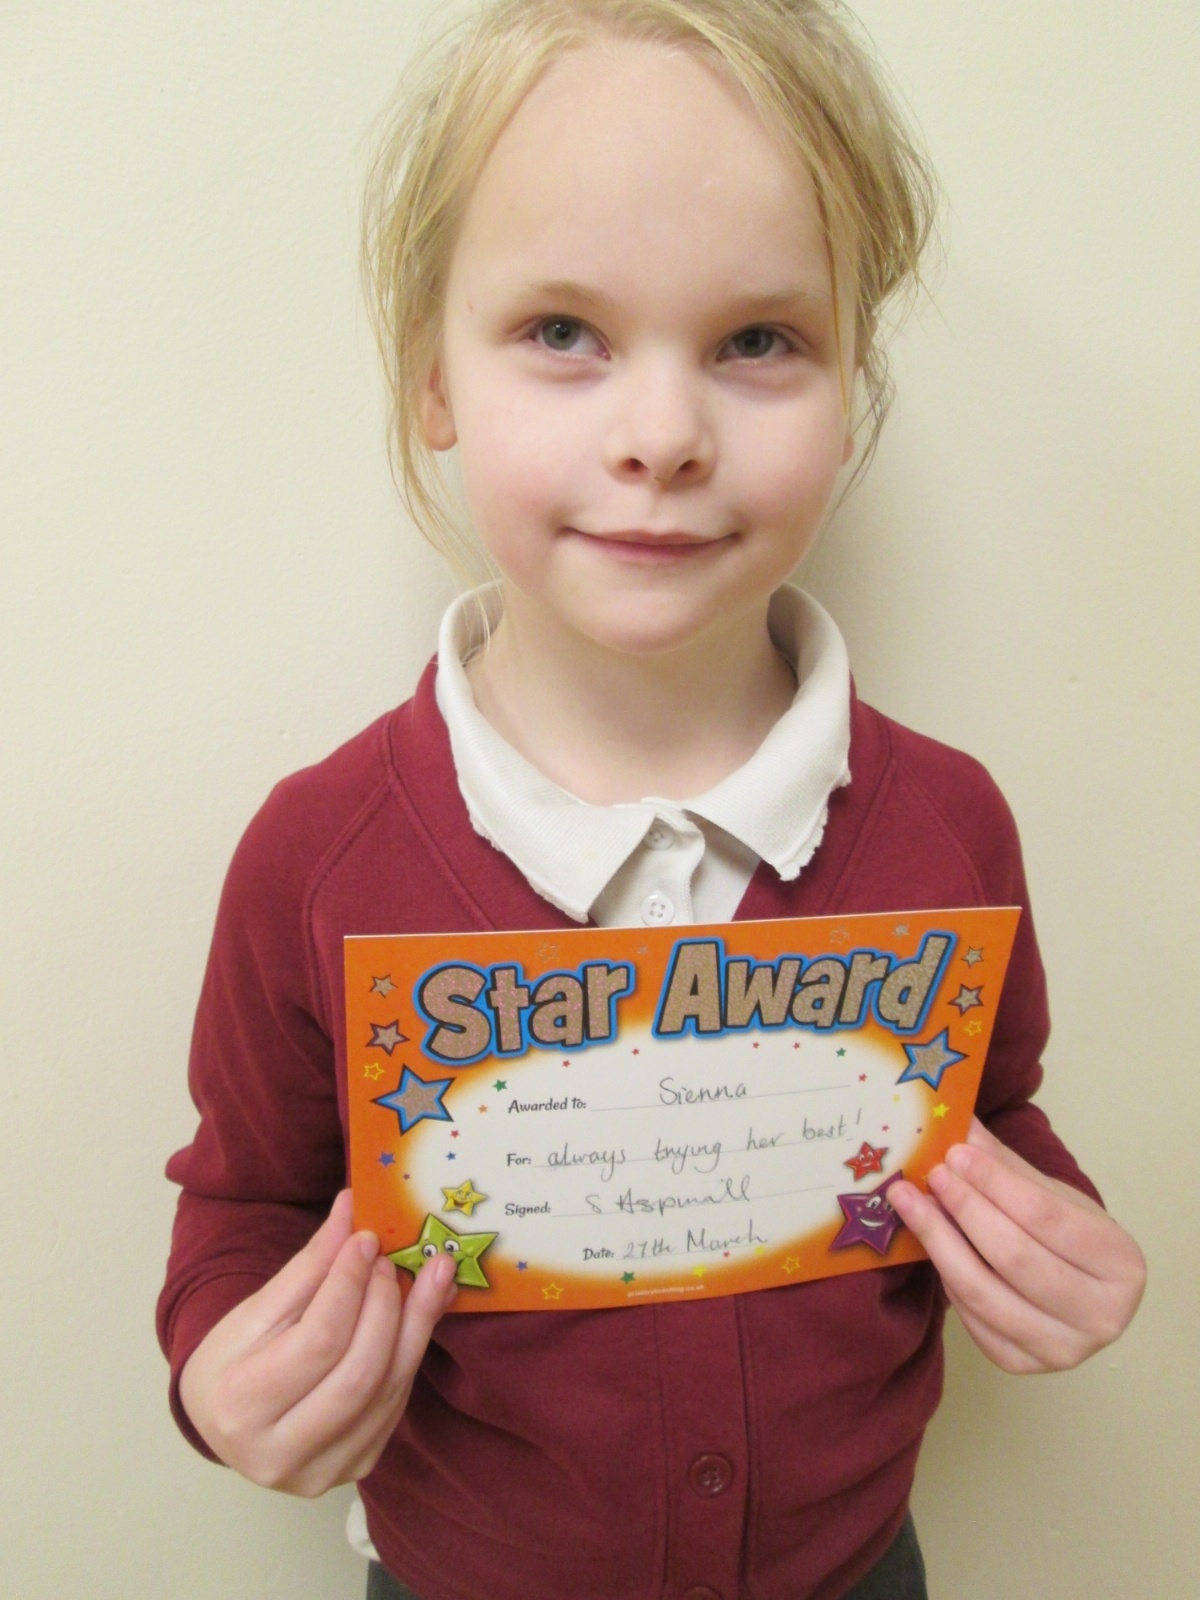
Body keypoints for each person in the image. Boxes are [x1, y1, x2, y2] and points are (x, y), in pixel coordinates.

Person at [156, 3, 1147, 1597]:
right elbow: (245, 1203)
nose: (665, 437)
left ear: (851, 378)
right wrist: (221, 1375)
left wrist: (1051, 1235)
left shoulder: (949, 826)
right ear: (431, 380)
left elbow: (991, 1109)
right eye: (563, 329)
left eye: (759, 342)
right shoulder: (317, 857)